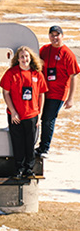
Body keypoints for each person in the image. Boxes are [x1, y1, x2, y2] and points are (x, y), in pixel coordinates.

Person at [0, 46, 48, 178]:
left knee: (30, 143)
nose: (24, 59)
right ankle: (19, 168)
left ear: (30, 58)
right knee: (17, 143)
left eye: (26, 56)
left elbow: (41, 95)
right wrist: (13, 111)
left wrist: (39, 114)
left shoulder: (37, 74)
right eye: (22, 56)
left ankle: (29, 168)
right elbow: (6, 93)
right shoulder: (11, 73)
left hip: (31, 115)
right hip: (15, 116)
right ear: (18, 59)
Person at [37, 25, 79, 157]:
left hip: (58, 93)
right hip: (43, 91)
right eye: (52, 35)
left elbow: (74, 77)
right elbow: (33, 60)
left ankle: (44, 148)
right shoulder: (44, 49)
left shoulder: (68, 54)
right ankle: (37, 146)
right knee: (39, 118)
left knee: (49, 119)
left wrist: (71, 98)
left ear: (62, 36)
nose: (54, 38)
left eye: (57, 35)